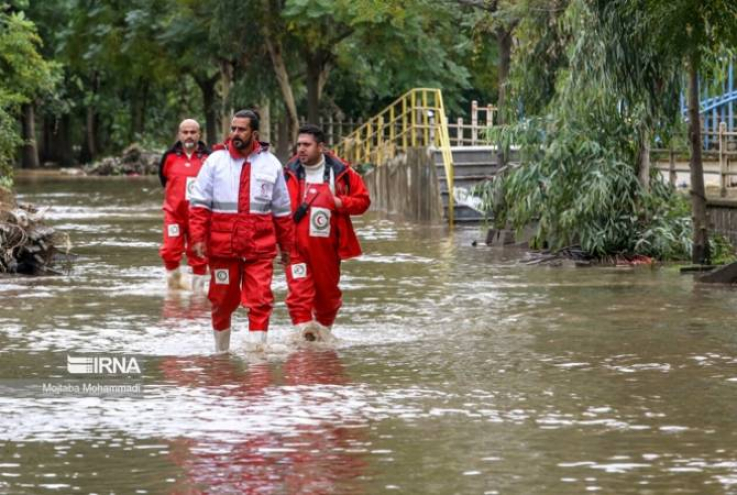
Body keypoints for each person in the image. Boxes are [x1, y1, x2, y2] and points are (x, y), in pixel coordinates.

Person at [188, 110, 293, 353]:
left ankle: (257, 361)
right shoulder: (215, 161)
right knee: (222, 301)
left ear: (254, 133)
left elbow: (282, 212)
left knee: (260, 301)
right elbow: (199, 204)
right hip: (223, 247)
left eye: (241, 129)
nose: (235, 133)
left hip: (259, 248)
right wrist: (197, 238)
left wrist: (287, 248)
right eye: (233, 128)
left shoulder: (271, 164)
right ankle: (221, 355)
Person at [283, 124, 370, 341]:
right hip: (295, 247)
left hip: (327, 247)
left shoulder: (342, 172)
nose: (301, 149)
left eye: (307, 145)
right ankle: (304, 343)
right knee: (298, 295)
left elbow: (363, 201)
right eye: (299, 144)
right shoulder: (288, 172)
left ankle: (322, 338)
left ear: (320, 147)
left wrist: (340, 202)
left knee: (327, 296)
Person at [158, 119, 210, 292]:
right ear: (179, 134)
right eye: (185, 132)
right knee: (170, 251)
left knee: (199, 254)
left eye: (193, 132)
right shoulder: (169, 157)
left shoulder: (209, 158)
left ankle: (198, 294)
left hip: (200, 216)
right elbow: (164, 180)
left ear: (199, 134)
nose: (189, 136)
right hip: (175, 214)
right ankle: (174, 290)